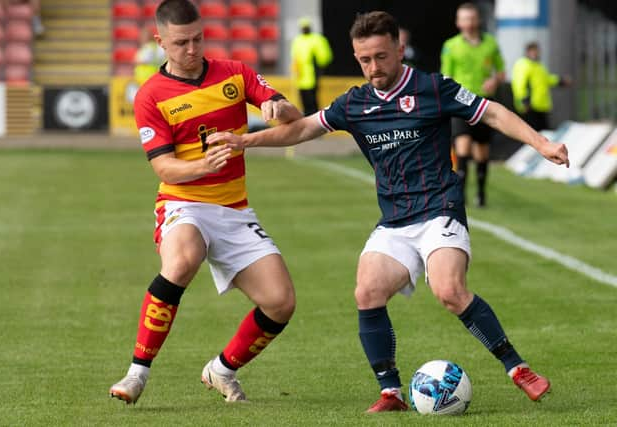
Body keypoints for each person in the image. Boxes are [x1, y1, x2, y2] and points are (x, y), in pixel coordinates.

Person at [208, 10, 568, 413]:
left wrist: (541, 144)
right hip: (395, 219)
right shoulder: (355, 103)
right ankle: (391, 394)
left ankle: (518, 369)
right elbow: (303, 129)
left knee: (449, 290)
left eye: (381, 56)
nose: (373, 67)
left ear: (399, 48)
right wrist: (245, 142)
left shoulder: (432, 86)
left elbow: (493, 112)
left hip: (439, 209)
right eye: (364, 60)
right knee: (367, 291)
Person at [108, 0, 302, 405]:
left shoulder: (235, 73)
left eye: (198, 38)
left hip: (235, 209)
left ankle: (221, 369)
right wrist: (202, 166)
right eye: (181, 42)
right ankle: (136, 374)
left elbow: (293, 118)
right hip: (184, 204)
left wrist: (278, 107)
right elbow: (164, 168)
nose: (192, 49)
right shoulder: (151, 96)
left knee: (281, 303)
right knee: (181, 260)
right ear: (160, 41)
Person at [441, 2, 505, 207]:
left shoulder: (490, 44)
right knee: (463, 146)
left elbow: (501, 71)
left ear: (478, 20)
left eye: (471, 18)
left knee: (482, 151)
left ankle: (481, 194)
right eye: (464, 18)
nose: (468, 22)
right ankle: (460, 195)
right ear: (458, 22)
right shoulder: (451, 46)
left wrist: (494, 80)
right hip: (460, 103)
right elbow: (445, 76)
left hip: (484, 102)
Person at [511, 41, 572, 131]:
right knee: (532, 134)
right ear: (527, 52)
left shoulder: (538, 65)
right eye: (533, 51)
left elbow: (547, 79)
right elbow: (519, 84)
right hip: (530, 107)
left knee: (543, 134)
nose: (535, 53)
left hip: (541, 105)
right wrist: (524, 101)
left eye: (537, 51)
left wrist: (561, 81)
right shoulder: (523, 64)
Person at [290, 16, 333, 115]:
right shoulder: (298, 40)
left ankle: (314, 117)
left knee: (312, 99)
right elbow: (294, 56)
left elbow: (325, 56)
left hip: (313, 74)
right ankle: (307, 116)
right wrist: (294, 67)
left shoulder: (317, 39)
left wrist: (319, 66)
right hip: (300, 76)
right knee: (303, 98)